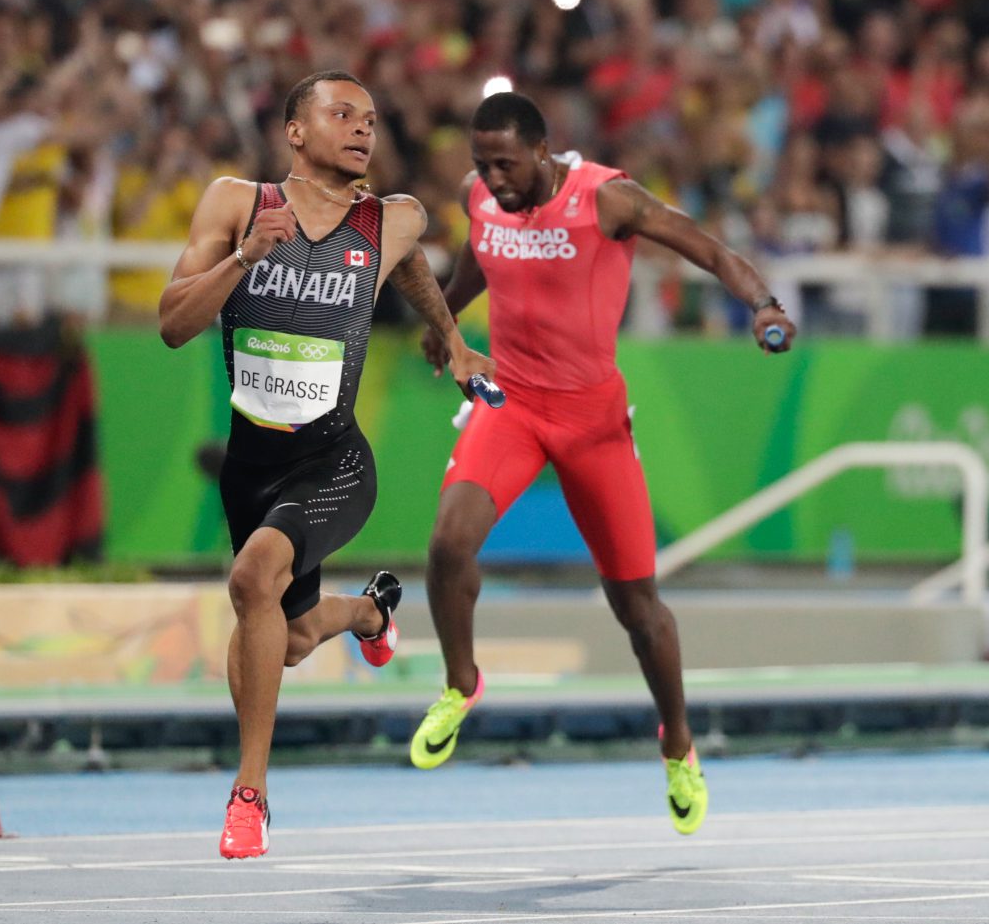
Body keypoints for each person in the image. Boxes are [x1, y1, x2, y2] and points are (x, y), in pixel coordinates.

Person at [412, 91, 796, 836]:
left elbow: (710, 250)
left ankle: (678, 743)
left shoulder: (607, 199)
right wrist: (445, 318)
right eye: (482, 165)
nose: (493, 179)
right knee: (448, 543)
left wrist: (764, 305)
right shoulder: (481, 198)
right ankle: (462, 683)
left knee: (637, 608)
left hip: (592, 424)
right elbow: (476, 264)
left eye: (506, 164)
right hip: (511, 405)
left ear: (542, 151)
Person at [160, 70, 494, 860]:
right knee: (293, 632)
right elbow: (173, 324)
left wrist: (453, 341)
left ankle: (250, 794)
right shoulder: (236, 204)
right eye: (342, 114)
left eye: (371, 118)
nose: (363, 128)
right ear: (295, 131)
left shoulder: (392, 218)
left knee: (253, 579)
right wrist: (244, 258)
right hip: (251, 467)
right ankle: (367, 614)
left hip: (334, 461)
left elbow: (407, 265)